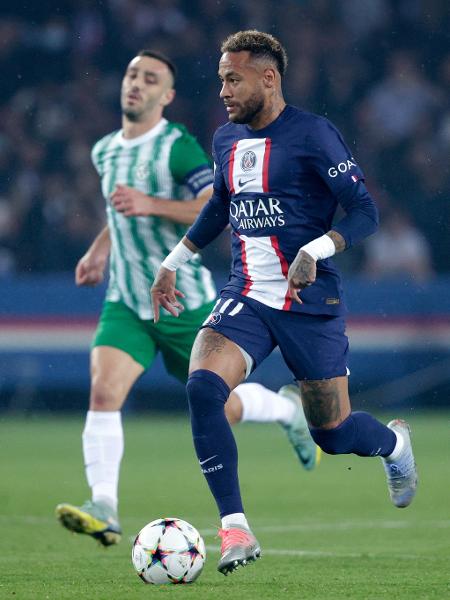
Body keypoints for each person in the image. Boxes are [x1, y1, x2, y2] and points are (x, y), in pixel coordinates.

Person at [151, 30, 418, 576]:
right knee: (203, 386)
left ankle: (394, 445)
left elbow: (364, 211)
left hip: (309, 301)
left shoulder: (315, 134)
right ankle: (235, 528)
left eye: (233, 78)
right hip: (245, 294)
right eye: (221, 78)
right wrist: (173, 262)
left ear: (268, 78)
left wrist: (316, 250)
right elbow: (222, 205)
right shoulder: (225, 138)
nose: (223, 90)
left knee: (334, 433)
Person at [55, 49, 320, 548]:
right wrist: (99, 248)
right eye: (132, 74)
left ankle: (287, 411)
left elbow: (212, 205)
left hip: (185, 302)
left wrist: (150, 203)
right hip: (128, 301)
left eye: (150, 79)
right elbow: (121, 214)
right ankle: (104, 508)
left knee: (222, 409)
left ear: (167, 96)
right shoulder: (105, 150)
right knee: (104, 391)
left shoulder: (177, 147)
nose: (137, 83)